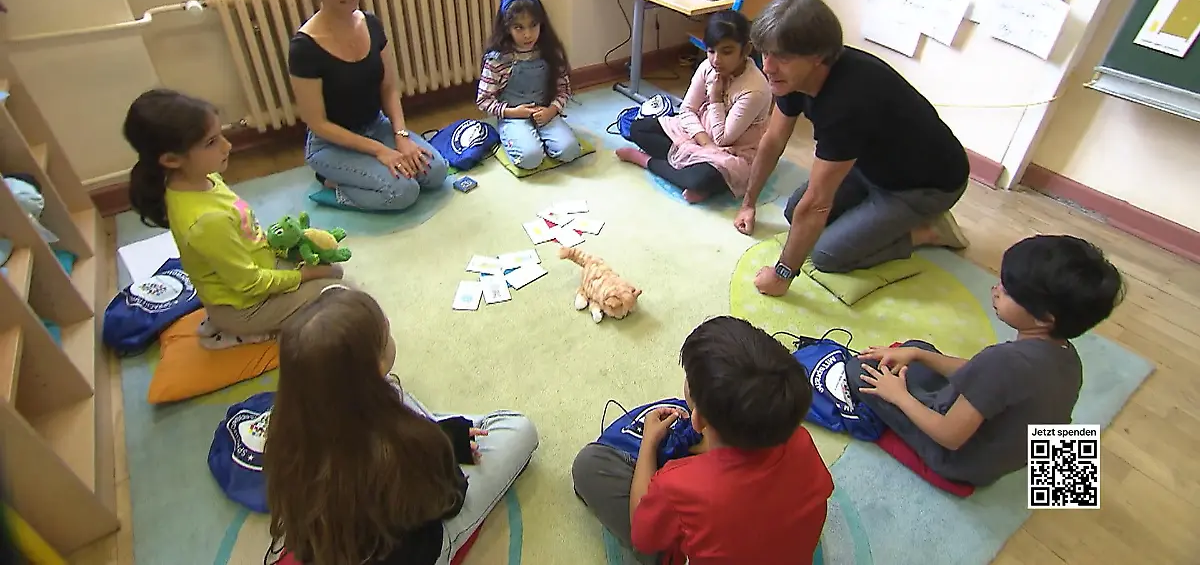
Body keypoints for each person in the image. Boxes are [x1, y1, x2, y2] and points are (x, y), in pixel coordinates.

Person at [265, 286, 539, 565]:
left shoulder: (286, 433)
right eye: (385, 333)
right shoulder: (399, 452)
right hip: (417, 546)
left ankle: (436, 427)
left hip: (343, 543)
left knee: (390, 390)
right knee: (517, 429)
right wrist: (441, 443)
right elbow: (450, 500)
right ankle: (436, 427)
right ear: (374, 365)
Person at [734, 0, 971, 297]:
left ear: (818, 55)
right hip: (866, 164)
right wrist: (748, 204)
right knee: (793, 213)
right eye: (765, 53)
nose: (768, 67)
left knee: (826, 255)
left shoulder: (847, 103)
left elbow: (817, 203)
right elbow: (773, 140)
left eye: (782, 57)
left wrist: (782, 275)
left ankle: (927, 231)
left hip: (923, 186)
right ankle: (875, 219)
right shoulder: (791, 78)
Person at [851, 235, 1123, 487]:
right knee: (916, 349)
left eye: (1008, 291)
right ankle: (918, 361)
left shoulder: (1003, 362)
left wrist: (898, 396)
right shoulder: (1068, 356)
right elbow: (985, 378)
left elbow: (950, 436)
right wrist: (920, 355)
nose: (995, 289)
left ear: (1044, 318)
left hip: (961, 461)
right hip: (1016, 449)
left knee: (859, 370)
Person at [571, 316, 833, 564]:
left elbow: (643, 537)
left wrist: (649, 443)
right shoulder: (802, 440)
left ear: (698, 419)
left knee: (589, 465)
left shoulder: (676, 485)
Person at [123, 89, 344, 349]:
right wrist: (304, 275)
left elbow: (245, 233)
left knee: (331, 267)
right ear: (171, 160)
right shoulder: (206, 222)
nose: (227, 146)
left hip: (256, 270)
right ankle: (239, 332)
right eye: (211, 142)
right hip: (245, 308)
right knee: (339, 298)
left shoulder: (205, 178)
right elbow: (249, 284)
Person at [287, 0, 449, 211]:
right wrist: (380, 152)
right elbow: (318, 123)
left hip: (376, 126)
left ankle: (365, 173)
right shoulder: (304, 47)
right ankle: (331, 184)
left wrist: (401, 137)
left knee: (435, 172)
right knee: (403, 192)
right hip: (331, 144)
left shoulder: (371, 24)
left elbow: (389, 87)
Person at [616, 10, 772, 204]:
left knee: (700, 179)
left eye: (727, 51)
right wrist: (704, 144)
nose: (716, 60)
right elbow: (687, 109)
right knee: (638, 128)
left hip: (733, 150)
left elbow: (723, 139)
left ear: (746, 50)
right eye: (711, 51)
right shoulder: (708, 66)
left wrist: (715, 99)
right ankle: (690, 171)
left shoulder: (754, 89)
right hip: (699, 135)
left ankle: (645, 160)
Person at [476, 0, 582, 170]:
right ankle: (515, 137)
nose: (528, 34)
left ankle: (540, 137)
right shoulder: (498, 59)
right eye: (519, 27)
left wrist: (551, 110)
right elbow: (483, 101)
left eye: (533, 25)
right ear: (507, 28)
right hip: (513, 115)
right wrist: (513, 112)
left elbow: (564, 90)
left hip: (545, 111)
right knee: (530, 158)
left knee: (570, 151)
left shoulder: (550, 52)